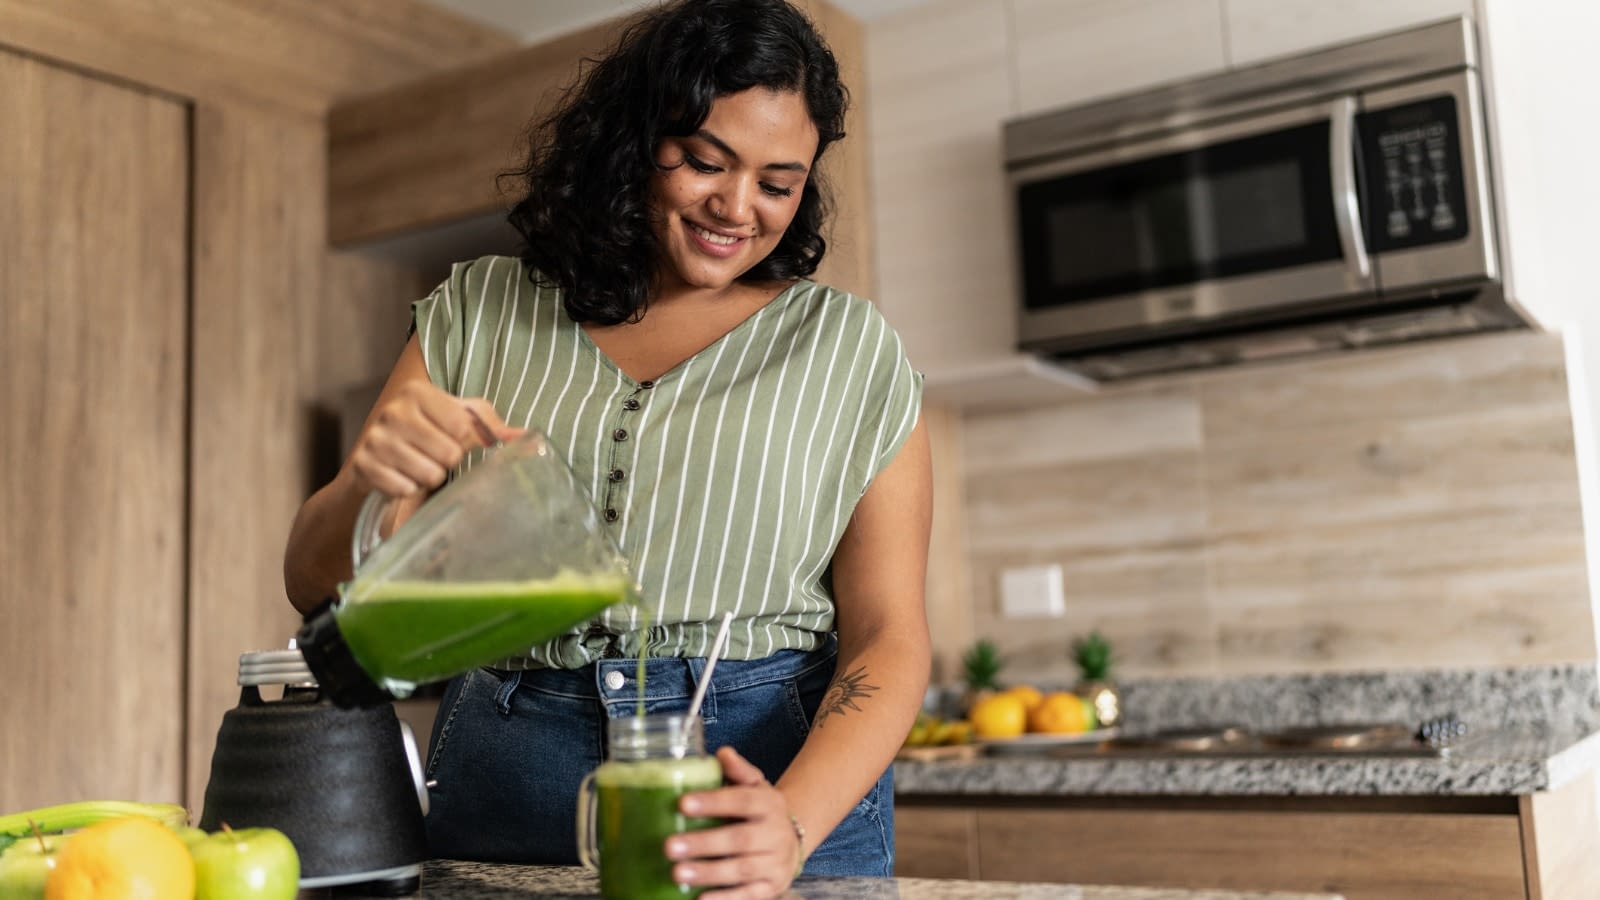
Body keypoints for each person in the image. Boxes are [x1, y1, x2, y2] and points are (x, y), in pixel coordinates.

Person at [282, 0, 931, 894]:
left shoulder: (851, 350)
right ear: (634, 142)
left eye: (778, 184)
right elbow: (315, 583)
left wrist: (788, 821)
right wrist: (365, 480)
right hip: (511, 766)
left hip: (764, 780)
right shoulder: (481, 309)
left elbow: (889, 638)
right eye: (706, 161)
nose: (736, 207)